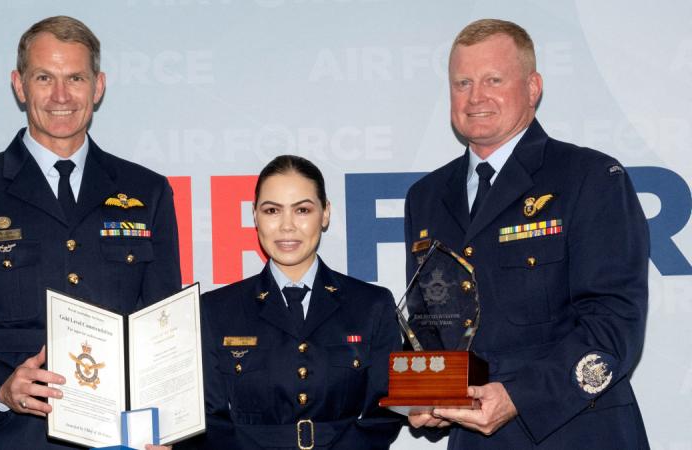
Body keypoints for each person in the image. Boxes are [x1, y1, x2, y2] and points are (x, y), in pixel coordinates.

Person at [0, 16, 181, 450]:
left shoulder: (147, 191)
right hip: (15, 438)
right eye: (43, 78)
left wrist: (166, 427)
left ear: (98, 86)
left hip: (123, 440)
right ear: (19, 85)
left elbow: (164, 330)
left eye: (75, 77)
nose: (60, 96)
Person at [404, 19, 649, 448]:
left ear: (533, 88)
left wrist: (519, 397)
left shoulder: (589, 177)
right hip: (475, 439)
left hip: (578, 431)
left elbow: (615, 325)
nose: (475, 96)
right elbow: (432, 325)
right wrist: (424, 394)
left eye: (493, 80)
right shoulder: (425, 197)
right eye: (462, 82)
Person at [188, 155, 402, 449]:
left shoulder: (372, 305)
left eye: (302, 210)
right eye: (272, 210)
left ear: (325, 214)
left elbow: (384, 412)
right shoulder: (215, 310)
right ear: (254, 215)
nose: (287, 226)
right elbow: (208, 420)